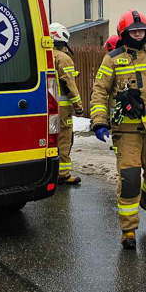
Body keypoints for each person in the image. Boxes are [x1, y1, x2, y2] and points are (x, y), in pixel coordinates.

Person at [89, 10, 146, 249]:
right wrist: (99, 121)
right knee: (129, 179)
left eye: (141, 30)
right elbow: (99, 92)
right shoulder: (113, 59)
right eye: (132, 31)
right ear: (124, 33)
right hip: (126, 131)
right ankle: (129, 229)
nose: (137, 34)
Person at [50, 23, 83, 185]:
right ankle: (62, 173)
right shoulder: (63, 58)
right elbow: (70, 84)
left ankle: (48, 171)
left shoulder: (41, 55)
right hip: (62, 109)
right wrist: (79, 106)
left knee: (48, 139)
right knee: (64, 138)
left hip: (43, 108)